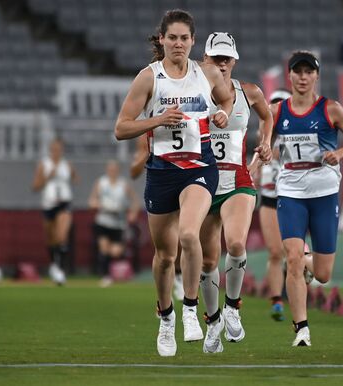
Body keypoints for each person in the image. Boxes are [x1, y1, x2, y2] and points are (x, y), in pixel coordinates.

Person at [114, 9, 233, 357]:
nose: (179, 44)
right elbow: (121, 127)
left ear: (193, 41)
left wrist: (222, 111)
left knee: (188, 235)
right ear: (162, 40)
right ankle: (165, 318)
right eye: (173, 37)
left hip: (199, 168)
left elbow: (225, 97)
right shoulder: (149, 78)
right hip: (162, 172)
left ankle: (191, 311)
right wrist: (157, 120)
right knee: (165, 257)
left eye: (185, 38)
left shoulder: (207, 71)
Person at [272, 51, 343, 347]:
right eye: (297, 72)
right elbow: (266, 140)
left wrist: (338, 154)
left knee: (324, 274)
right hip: (290, 192)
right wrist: (263, 152)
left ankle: (309, 260)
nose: (302, 77)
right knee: (292, 258)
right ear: (289, 76)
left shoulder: (331, 109)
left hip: (324, 194)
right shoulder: (277, 111)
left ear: (316, 76)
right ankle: (301, 328)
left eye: (308, 72)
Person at [198, 32, 272, 353]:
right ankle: (212, 322)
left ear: (235, 60)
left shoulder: (249, 92)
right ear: (206, 60)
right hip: (201, 183)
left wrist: (265, 142)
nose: (222, 63)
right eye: (216, 58)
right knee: (208, 260)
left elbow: (268, 116)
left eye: (227, 58)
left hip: (237, 179)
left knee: (238, 243)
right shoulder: (192, 94)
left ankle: (232, 307)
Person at [131, 135, 184, 301]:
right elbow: (134, 172)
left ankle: (180, 276)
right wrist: (147, 155)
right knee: (164, 251)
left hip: (186, 182)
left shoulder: (191, 114)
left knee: (185, 235)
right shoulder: (146, 133)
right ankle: (164, 301)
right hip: (160, 186)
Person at [257, 89, 291, 322]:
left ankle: (299, 277)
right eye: (273, 105)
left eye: (281, 105)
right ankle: (277, 299)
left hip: (293, 198)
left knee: (294, 252)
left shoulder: (297, 131)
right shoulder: (263, 134)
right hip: (269, 200)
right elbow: (256, 165)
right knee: (276, 252)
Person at [32, 137, 78, 285]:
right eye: (54, 149)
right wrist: (48, 177)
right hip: (48, 204)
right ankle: (54, 265)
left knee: (61, 236)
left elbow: (76, 179)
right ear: (50, 150)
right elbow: (36, 186)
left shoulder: (66, 164)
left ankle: (60, 270)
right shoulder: (44, 165)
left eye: (59, 149)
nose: (56, 152)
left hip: (63, 203)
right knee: (51, 239)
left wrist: (71, 176)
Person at [88, 160, 140, 287]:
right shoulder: (101, 183)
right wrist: (97, 204)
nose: (112, 171)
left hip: (118, 222)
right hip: (103, 220)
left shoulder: (123, 184)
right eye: (110, 169)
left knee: (116, 251)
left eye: (114, 169)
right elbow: (92, 200)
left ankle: (115, 272)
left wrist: (133, 213)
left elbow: (135, 200)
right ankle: (105, 276)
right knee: (104, 247)